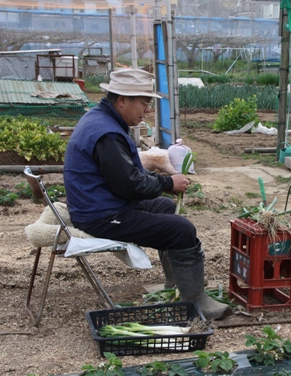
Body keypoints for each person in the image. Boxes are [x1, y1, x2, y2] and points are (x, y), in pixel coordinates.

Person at [63, 68, 231, 320]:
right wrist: (167, 183)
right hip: (101, 215)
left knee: (164, 207)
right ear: (122, 100)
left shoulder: (101, 120)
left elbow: (127, 176)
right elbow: (129, 186)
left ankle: (177, 283)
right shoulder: (107, 134)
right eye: (144, 103)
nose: (147, 110)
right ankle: (195, 302)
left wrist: (162, 184)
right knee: (181, 229)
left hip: (99, 204)